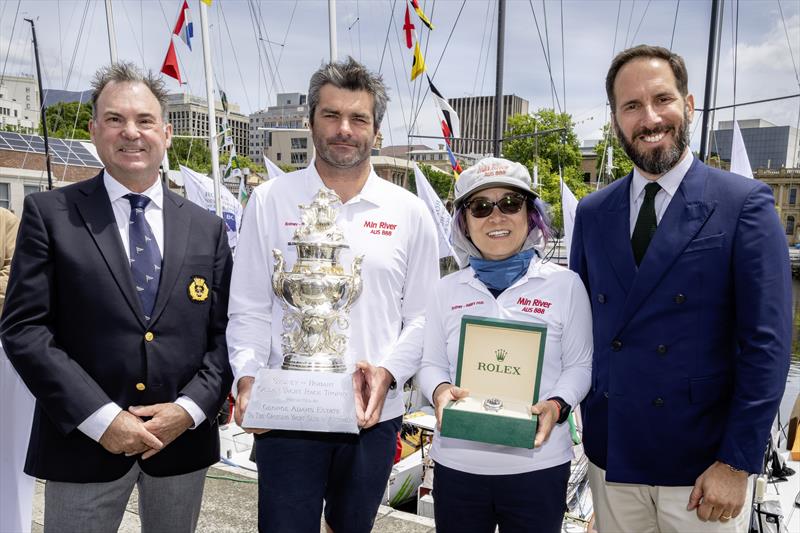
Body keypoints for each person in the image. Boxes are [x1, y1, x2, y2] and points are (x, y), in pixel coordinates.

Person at [0, 62, 233, 532]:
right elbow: (24, 329)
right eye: (114, 119)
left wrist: (188, 410)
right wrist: (102, 418)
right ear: (93, 130)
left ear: (166, 133)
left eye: (145, 120)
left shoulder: (207, 228)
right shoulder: (49, 214)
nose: (131, 132)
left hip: (180, 445)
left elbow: (227, 332)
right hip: (82, 445)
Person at [570, 44, 792, 532]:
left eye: (662, 99)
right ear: (615, 120)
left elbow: (768, 347)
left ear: (688, 105)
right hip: (612, 457)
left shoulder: (744, 204)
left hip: (703, 467)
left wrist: (737, 463)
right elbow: (580, 331)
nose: (649, 118)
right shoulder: (593, 212)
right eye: (631, 105)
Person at [227, 57, 439, 533]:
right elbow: (249, 308)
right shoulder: (269, 200)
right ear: (310, 122)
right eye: (331, 115)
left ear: (376, 132)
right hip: (286, 411)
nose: (344, 129)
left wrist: (388, 374)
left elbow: (423, 317)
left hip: (371, 413)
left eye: (358, 118)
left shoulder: (409, 212)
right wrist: (247, 378)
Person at [417, 157, 593, 533]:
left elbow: (580, 366)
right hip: (458, 466)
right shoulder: (445, 289)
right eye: (480, 207)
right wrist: (440, 390)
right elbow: (430, 364)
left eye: (511, 203)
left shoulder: (566, 285)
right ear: (464, 222)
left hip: (539, 466)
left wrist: (557, 405)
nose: (496, 216)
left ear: (530, 214)